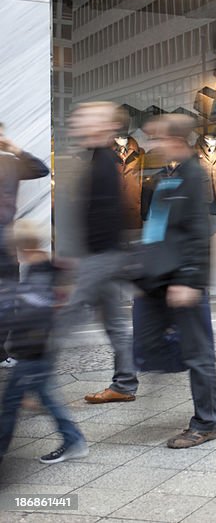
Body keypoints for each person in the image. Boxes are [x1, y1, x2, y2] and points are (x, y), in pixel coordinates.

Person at [134, 114, 216, 449]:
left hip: (185, 281)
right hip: (162, 278)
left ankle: (207, 423)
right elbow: (159, 228)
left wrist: (188, 279)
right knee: (154, 343)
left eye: (156, 138)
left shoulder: (192, 175)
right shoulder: (168, 176)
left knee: (200, 354)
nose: (151, 144)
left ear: (175, 141)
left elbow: (199, 234)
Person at [58, 103, 139, 404]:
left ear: (102, 126)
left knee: (63, 320)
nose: (76, 123)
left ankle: (33, 386)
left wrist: (85, 264)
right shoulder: (96, 159)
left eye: (83, 119)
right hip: (104, 255)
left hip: (100, 257)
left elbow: (105, 215)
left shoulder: (103, 161)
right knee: (115, 325)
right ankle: (124, 384)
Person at [0, 220, 88, 465]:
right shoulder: (39, 267)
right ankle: (73, 440)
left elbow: (34, 310)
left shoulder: (40, 270)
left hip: (35, 349)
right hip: (36, 348)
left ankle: (73, 440)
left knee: (11, 402)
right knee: (42, 395)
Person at [0, 123, 49, 369]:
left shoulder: (10, 162)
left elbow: (41, 169)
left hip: (5, 240)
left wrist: (16, 149)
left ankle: (0, 353)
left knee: (9, 298)